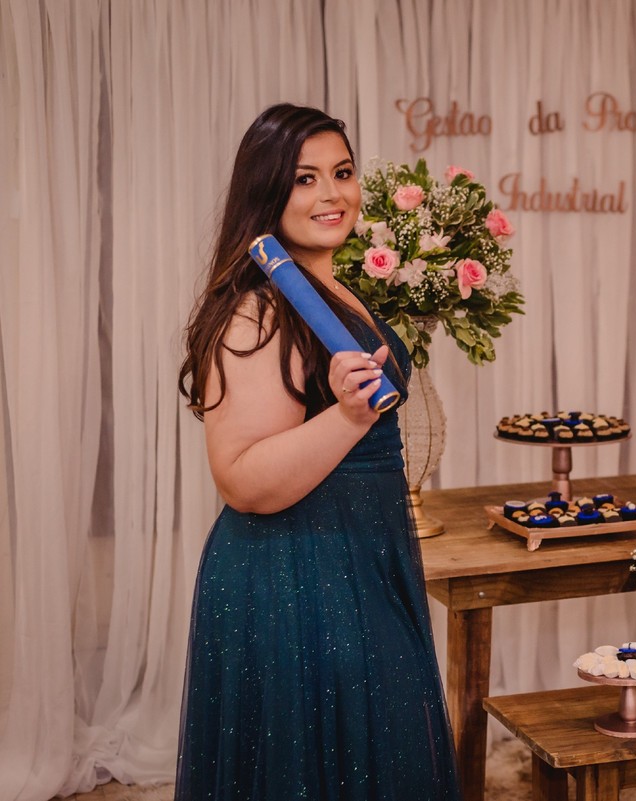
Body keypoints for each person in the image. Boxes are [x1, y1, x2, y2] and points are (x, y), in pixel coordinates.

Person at [176, 104, 461, 800]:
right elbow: (242, 480)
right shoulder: (259, 309)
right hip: (296, 577)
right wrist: (350, 416)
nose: (331, 194)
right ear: (267, 191)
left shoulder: (330, 289)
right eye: (305, 179)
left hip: (357, 560)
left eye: (342, 172)